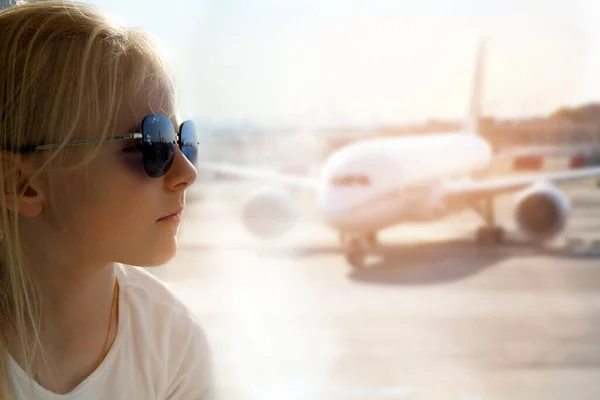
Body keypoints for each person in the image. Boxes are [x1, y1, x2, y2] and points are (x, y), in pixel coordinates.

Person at [0, 1, 213, 398]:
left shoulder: (174, 343)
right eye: (154, 143)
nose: (188, 173)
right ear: (22, 185)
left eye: (182, 139)